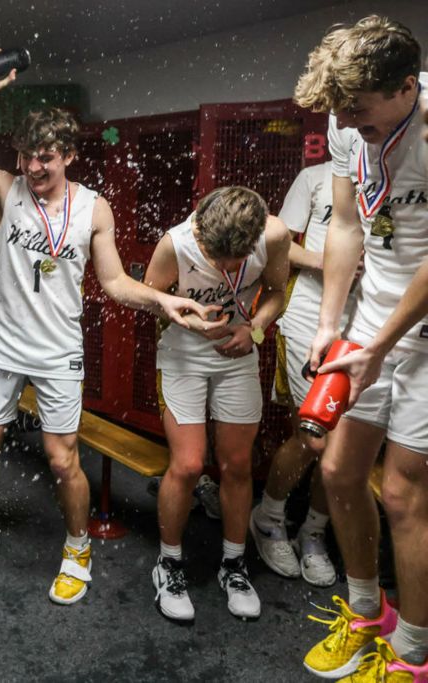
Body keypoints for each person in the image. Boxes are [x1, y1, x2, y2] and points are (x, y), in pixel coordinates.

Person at [0, 73, 216, 605]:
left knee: (61, 458)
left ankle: (77, 548)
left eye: (45, 157)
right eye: (27, 155)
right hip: (2, 343)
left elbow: (115, 282)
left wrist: (163, 300)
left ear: (69, 155)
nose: (33, 167)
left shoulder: (94, 208)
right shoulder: (6, 189)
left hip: (58, 351)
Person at [293, 16, 428, 680]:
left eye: (361, 107)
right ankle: (367, 611)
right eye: (342, 109)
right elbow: (345, 223)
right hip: (371, 324)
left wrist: (382, 343)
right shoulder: (350, 126)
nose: (348, 121)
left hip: (425, 335)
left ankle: (411, 653)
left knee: (404, 493)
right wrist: (328, 324)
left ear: (407, 86)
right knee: (340, 471)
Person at [145, 187, 291, 623]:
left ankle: (234, 564)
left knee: (237, 466)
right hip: (184, 355)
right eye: (215, 257)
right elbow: (152, 300)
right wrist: (189, 319)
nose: (224, 269)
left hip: (238, 354)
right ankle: (168, 564)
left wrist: (257, 328)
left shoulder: (276, 236)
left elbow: (278, 291)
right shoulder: (177, 242)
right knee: (188, 465)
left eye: (234, 260)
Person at [251, 161, 352, 588]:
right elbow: (281, 247)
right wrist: (334, 262)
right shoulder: (315, 178)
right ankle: (269, 519)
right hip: (309, 320)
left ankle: (312, 534)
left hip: (366, 329)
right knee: (313, 438)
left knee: (344, 448)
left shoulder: (397, 176)